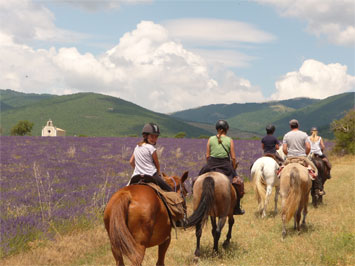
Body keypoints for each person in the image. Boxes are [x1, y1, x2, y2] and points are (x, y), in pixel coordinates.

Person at [198, 120, 245, 215]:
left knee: (197, 180)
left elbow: (207, 156)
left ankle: (198, 203)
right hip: (225, 165)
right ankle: (237, 207)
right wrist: (233, 166)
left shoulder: (210, 139)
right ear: (226, 129)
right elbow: (233, 157)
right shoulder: (229, 140)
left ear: (217, 129)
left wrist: (210, 164)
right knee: (238, 183)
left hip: (211, 164)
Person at [282, 119, 323, 196]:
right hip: (302, 157)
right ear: (298, 126)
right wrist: (305, 154)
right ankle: (318, 188)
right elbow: (308, 147)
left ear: (290, 126)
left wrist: (288, 155)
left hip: (290, 158)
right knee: (315, 171)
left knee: (279, 171)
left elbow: (284, 149)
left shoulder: (286, 135)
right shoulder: (304, 134)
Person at [128, 123, 172, 191]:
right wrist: (158, 175)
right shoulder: (151, 148)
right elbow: (157, 165)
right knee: (170, 190)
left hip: (136, 175)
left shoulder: (137, 146)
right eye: (152, 136)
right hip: (151, 175)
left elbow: (131, 161)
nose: (154, 139)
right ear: (146, 136)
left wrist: (139, 169)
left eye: (156, 137)